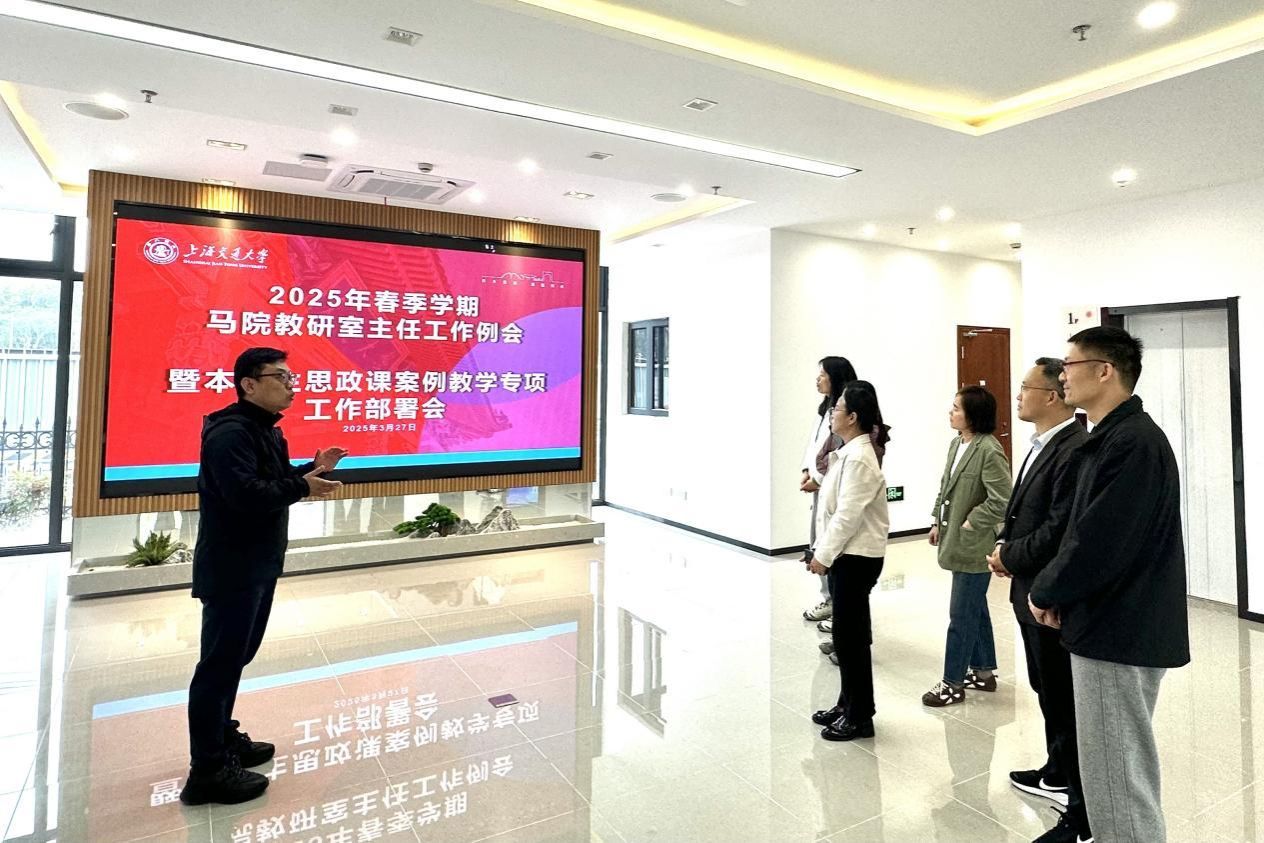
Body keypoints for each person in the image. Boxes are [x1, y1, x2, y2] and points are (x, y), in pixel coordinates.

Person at [1028, 326, 1189, 843]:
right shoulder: (1110, 437)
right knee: (1113, 772)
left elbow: (1098, 542)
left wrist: (1045, 590)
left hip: (1118, 630)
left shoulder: (1132, 443)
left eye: (1070, 366)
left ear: (1104, 371)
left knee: (1118, 779)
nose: (1062, 376)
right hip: (1109, 623)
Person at [179, 347, 346, 806]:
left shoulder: (265, 430)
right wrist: (303, 486)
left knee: (236, 658)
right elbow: (246, 495)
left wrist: (312, 470)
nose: (292, 386)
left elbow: (272, 481)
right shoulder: (230, 433)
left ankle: (223, 738)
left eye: (292, 377)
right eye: (281, 377)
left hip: (258, 563)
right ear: (249, 384)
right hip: (233, 566)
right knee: (218, 666)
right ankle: (206, 772)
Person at [986, 359, 1091, 843]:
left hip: (1047, 593)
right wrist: (1006, 546)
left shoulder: (1072, 448)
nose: (1017, 395)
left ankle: (1070, 778)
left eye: (1025, 388)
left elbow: (1058, 527)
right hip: (1028, 587)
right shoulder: (1039, 444)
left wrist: (1010, 555)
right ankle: (1056, 767)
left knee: (1060, 689)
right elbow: (1023, 513)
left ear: (1051, 396)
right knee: (1045, 683)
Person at [807, 381, 890, 740]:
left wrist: (822, 556)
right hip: (847, 554)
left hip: (856, 557)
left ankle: (859, 716)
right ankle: (847, 704)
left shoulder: (858, 458)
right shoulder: (848, 453)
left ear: (853, 417)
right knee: (846, 635)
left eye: (837, 408)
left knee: (851, 638)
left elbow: (847, 516)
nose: (831, 414)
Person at [922, 385, 1012, 707]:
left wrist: (972, 521)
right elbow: (945, 487)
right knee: (975, 608)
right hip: (955, 541)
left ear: (973, 415)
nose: (951, 412)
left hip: (975, 546)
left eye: (957, 408)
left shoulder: (989, 450)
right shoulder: (956, 443)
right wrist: (937, 520)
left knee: (961, 616)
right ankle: (983, 673)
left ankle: (952, 683)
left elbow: (1003, 500)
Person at [800, 356, 858, 623]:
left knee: (832, 544)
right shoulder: (825, 408)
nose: (818, 379)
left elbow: (837, 452)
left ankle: (837, 604)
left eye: (822, 374)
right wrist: (807, 470)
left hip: (832, 487)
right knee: (819, 541)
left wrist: (819, 478)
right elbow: (815, 445)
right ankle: (829, 599)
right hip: (819, 486)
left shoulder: (846, 413)